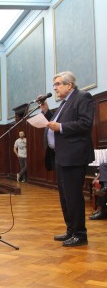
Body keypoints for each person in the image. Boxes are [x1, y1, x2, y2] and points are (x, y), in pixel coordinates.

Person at [40, 71, 94, 247]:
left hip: (75, 156)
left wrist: (61, 126)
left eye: (57, 84)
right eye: (54, 84)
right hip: (61, 156)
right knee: (65, 197)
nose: (54, 88)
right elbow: (54, 123)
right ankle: (71, 230)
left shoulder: (83, 97)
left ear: (69, 85)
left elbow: (86, 124)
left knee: (73, 196)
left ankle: (80, 234)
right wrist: (46, 111)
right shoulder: (64, 103)